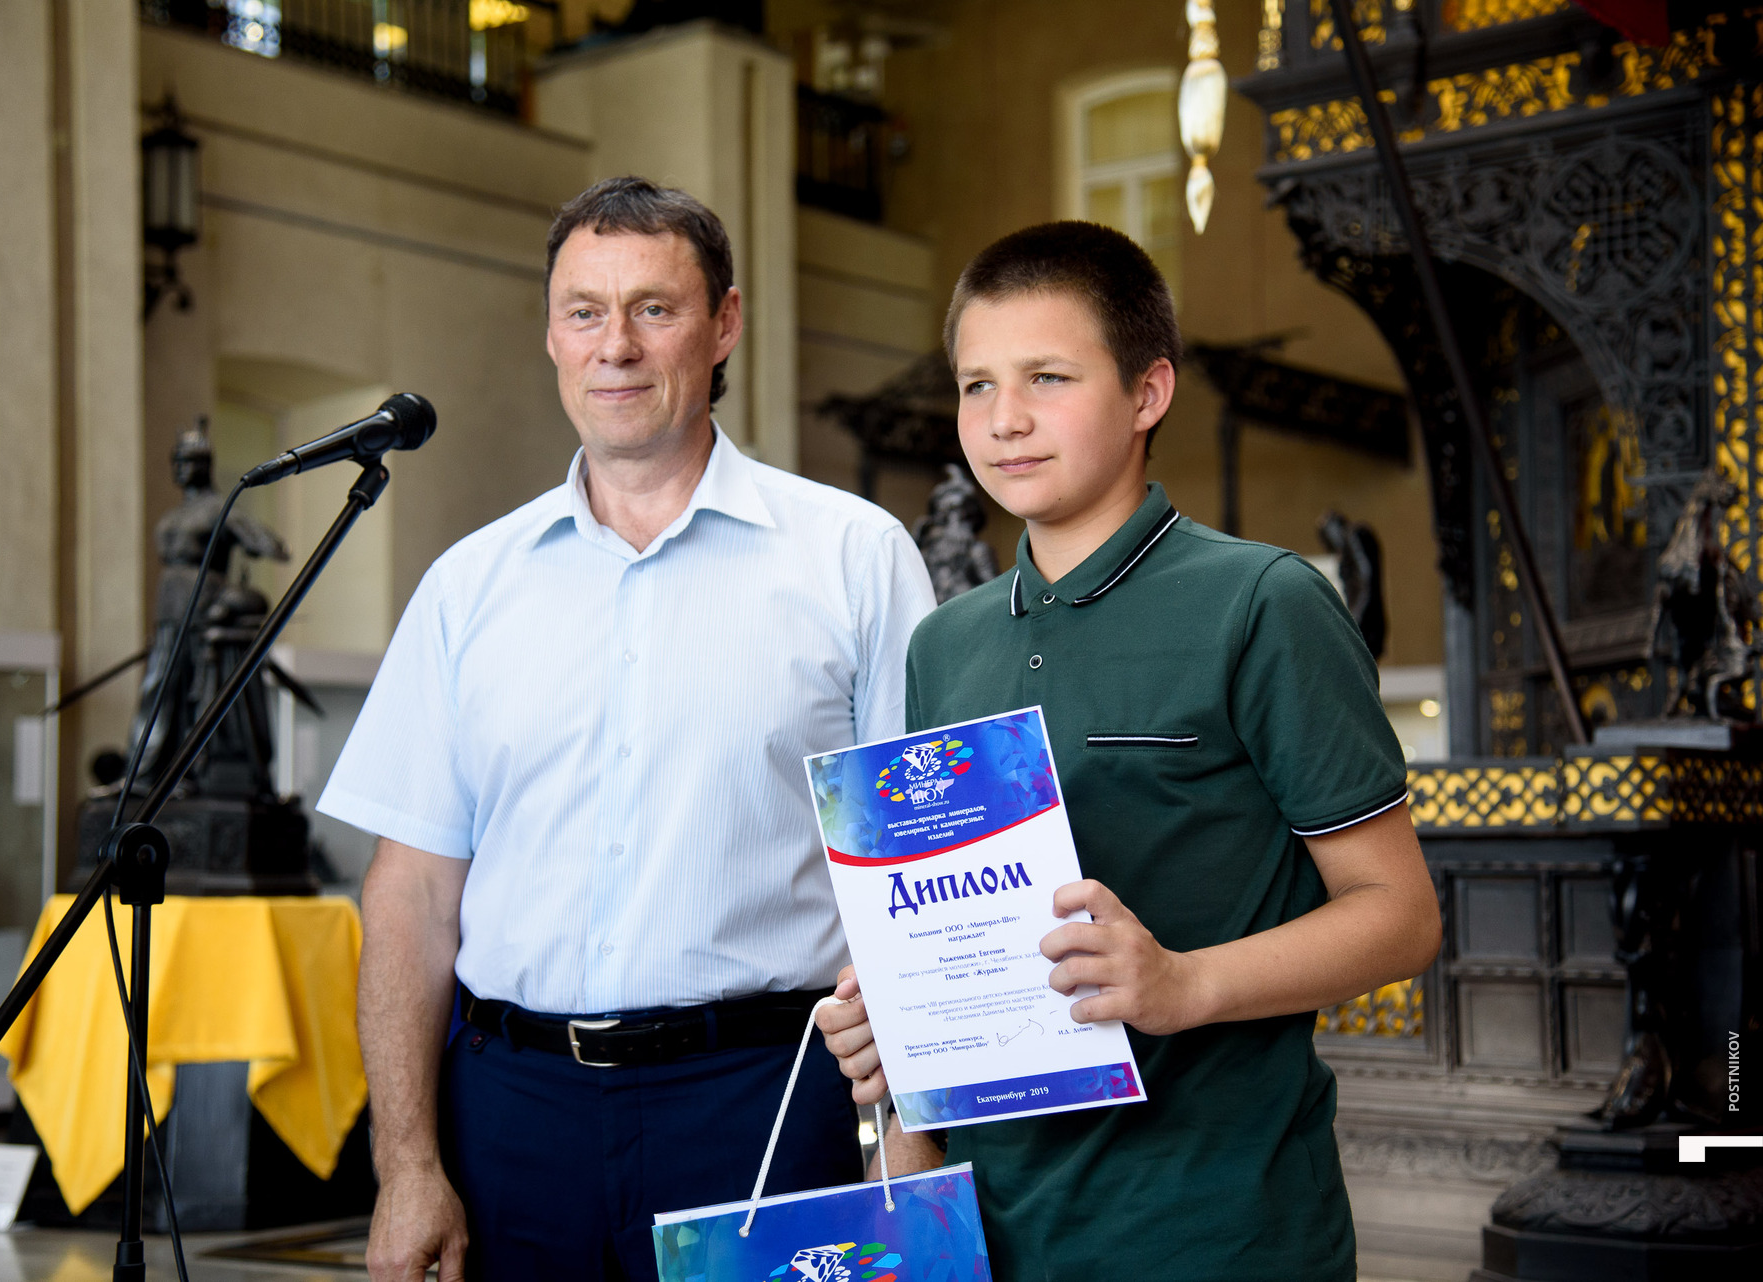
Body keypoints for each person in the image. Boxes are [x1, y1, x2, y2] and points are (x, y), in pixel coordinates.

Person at [317, 176, 934, 1282]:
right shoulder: (468, 586)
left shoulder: (854, 557)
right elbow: (410, 892)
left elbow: (915, 870)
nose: (617, 346)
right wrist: (405, 1163)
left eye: (655, 308)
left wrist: (910, 1137)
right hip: (510, 1116)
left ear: (724, 323)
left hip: (764, 1102)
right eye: (585, 311)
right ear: (552, 334)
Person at [815, 221, 1442, 1281]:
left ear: (1148, 392)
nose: (1004, 420)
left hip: (1215, 1232)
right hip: (991, 1235)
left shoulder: (1264, 602)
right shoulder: (944, 644)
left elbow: (1401, 914)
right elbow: (935, 942)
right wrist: (898, 1049)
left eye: (1048, 378)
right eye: (976, 385)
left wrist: (1183, 984)